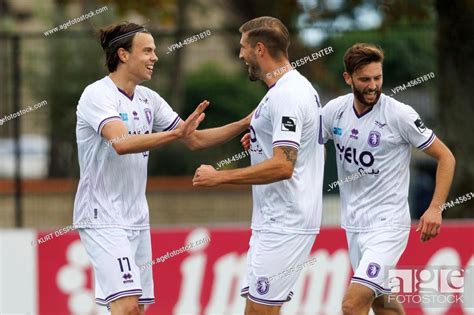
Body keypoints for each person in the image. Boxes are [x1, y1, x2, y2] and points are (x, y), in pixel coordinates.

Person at [73, 22, 251, 315]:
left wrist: (244, 122)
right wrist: (175, 135)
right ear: (123, 54)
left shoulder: (148, 99)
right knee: (127, 305)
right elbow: (121, 142)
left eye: (154, 50)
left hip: (137, 217)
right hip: (101, 216)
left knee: (138, 307)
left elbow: (192, 139)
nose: (155, 57)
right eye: (147, 51)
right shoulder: (97, 95)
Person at [193, 16, 325, 315]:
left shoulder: (288, 94)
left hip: (285, 223)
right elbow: (294, 146)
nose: (240, 54)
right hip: (274, 222)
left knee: (260, 312)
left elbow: (283, 166)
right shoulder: (282, 91)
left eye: (243, 47)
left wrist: (220, 177)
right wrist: (259, 140)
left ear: (260, 49)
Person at [321, 43, 456, 315]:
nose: (373, 86)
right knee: (383, 304)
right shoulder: (334, 111)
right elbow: (303, 144)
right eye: (364, 79)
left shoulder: (399, 114)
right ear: (348, 78)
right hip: (354, 225)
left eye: (377, 78)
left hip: (387, 225)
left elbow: (446, 157)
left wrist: (435, 208)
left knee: (352, 304)